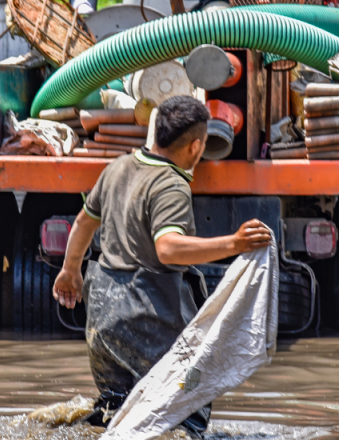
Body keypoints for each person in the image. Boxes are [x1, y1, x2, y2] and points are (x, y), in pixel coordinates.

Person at [52, 95, 272, 431]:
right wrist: (234, 243)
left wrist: (70, 272)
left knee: (116, 414)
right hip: (146, 317)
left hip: (101, 319)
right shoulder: (171, 184)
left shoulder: (118, 167)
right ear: (196, 146)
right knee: (181, 415)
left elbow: (83, 222)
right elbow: (168, 248)